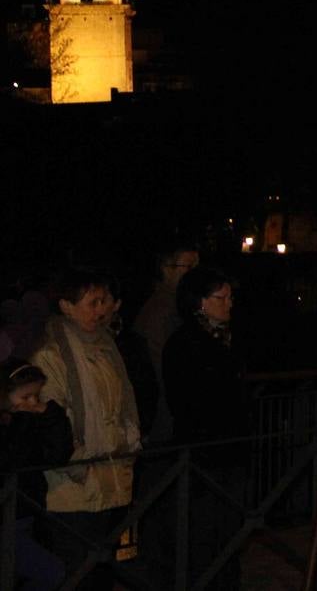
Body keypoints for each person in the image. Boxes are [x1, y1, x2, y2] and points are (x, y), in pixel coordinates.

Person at [30, 270, 140, 591]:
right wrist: (83, 461)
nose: (101, 310)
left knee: (104, 574)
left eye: (104, 301)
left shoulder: (107, 350)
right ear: (66, 306)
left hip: (113, 478)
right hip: (74, 487)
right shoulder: (50, 357)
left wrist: (126, 446)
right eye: (92, 303)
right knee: (78, 575)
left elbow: (123, 409)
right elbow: (53, 426)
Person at [162, 266, 247, 590]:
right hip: (202, 457)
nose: (229, 303)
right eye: (220, 297)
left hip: (231, 453)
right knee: (203, 536)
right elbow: (187, 402)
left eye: (230, 297)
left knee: (229, 532)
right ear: (199, 302)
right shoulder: (185, 344)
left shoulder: (228, 339)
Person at [1, 358, 75, 591]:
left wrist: (51, 416)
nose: (32, 404)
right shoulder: (14, 425)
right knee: (51, 571)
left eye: (36, 396)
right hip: (6, 517)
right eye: (25, 398)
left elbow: (56, 454)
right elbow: (12, 458)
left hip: (27, 512)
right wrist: (23, 421)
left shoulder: (33, 421)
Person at [132, 242, 199, 443]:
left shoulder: (177, 306)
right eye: (188, 267)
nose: (194, 274)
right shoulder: (163, 311)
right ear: (166, 269)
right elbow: (160, 366)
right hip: (164, 409)